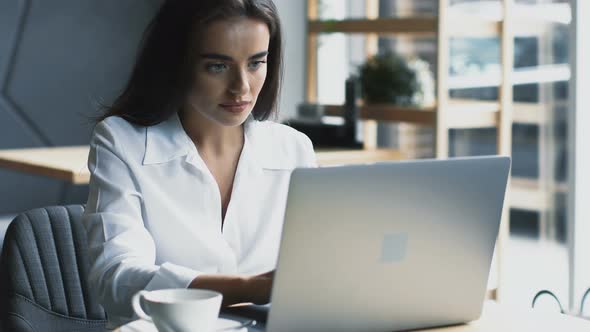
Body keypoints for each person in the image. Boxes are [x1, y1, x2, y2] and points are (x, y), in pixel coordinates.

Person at [82, 0, 316, 327]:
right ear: (175, 64)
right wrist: (252, 288)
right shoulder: (122, 142)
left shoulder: (293, 148)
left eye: (255, 63)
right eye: (217, 66)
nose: (242, 88)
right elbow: (116, 279)